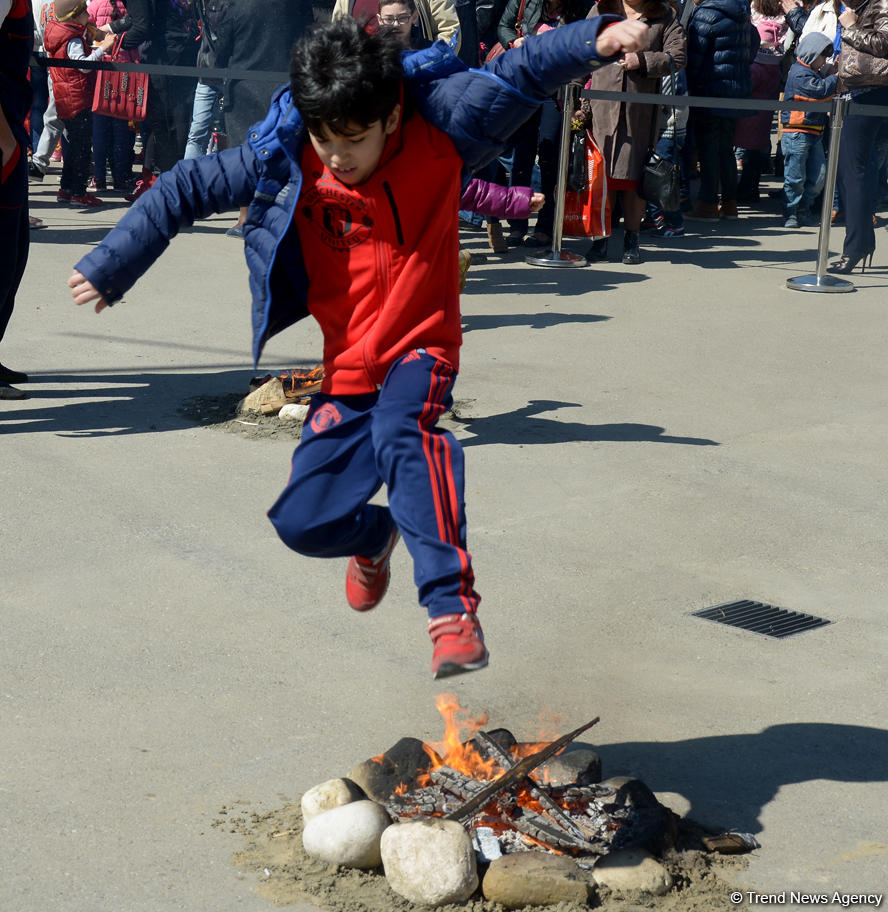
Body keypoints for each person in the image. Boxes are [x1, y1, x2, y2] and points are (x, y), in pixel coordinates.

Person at [66, 16, 647, 677]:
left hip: (421, 349)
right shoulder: (287, 155)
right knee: (301, 522)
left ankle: (450, 607)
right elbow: (184, 186)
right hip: (346, 367)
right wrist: (114, 262)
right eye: (324, 137)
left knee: (406, 434)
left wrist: (595, 39)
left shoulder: (442, 130)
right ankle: (374, 536)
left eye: (353, 140)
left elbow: (519, 71)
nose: (337, 156)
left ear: (391, 118)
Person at [579, 0, 686, 264]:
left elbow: (677, 57)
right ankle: (600, 240)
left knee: (633, 179)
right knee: (602, 179)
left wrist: (641, 60)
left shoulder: (663, 15)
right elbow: (580, 52)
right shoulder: (601, 10)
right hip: (601, 108)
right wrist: (576, 94)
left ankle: (632, 239)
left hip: (639, 113)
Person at [212, 0, 314, 236]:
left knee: (246, 158)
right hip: (285, 88)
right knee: (286, 155)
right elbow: (309, 39)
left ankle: (246, 218)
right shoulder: (297, 5)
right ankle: (283, 217)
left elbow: (222, 49)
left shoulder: (238, 6)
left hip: (244, 89)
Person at [498, 0, 592, 246]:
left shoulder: (581, 8)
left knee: (551, 156)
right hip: (526, 87)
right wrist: (514, 42)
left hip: (558, 91)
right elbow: (505, 26)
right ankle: (517, 223)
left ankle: (546, 226)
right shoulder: (525, 2)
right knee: (522, 157)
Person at [685, 0, 759, 222]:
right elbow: (754, 43)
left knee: (708, 148)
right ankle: (729, 203)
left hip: (709, 88)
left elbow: (695, 56)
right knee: (725, 147)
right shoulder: (742, 12)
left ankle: (707, 204)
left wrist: (691, 83)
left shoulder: (707, 13)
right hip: (735, 90)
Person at [828, 0, 888, 273]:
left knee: (854, 171)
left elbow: (884, 43)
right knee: (850, 171)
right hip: (855, 90)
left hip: (873, 90)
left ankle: (856, 246)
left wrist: (851, 28)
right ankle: (860, 243)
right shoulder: (855, 6)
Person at [121, 0, 200, 201]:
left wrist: (116, 41)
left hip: (165, 56)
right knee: (170, 122)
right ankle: (157, 180)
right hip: (184, 51)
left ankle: (168, 184)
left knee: (168, 124)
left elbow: (141, 26)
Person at [44, 0, 117, 207]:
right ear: (75, 16)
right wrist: (102, 49)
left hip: (65, 97)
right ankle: (78, 192)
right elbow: (83, 66)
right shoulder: (72, 39)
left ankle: (66, 188)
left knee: (74, 146)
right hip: (77, 97)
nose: (89, 15)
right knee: (83, 148)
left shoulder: (61, 33)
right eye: (84, 11)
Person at [1, 0, 34, 400]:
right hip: (3, 139)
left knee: (13, 255)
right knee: (1, 259)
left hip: (11, 134)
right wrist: (6, 142)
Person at [733, 0, 788, 205]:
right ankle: (751, 186)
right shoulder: (786, 10)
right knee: (760, 136)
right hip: (773, 70)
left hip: (752, 65)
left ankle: (737, 189)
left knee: (735, 133)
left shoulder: (754, 7)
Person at [779, 31, 836, 227]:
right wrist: (835, 77)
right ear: (812, 54)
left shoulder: (812, 73)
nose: (824, 61)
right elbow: (819, 91)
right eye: (823, 57)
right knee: (795, 177)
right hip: (796, 132)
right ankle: (791, 212)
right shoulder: (799, 73)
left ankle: (804, 208)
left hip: (814, 132)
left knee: (818, 176)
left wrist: (829, 73)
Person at [88, 0, 137, 191]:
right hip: (126, 73)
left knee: (99, 129)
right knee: (123, 130)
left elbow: (87, 33)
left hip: (101, 71)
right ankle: (121, 176)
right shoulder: (130, 7)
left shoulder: (95, 5)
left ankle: (99, 176)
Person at [184, 0, 228, 161]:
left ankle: (190, 179)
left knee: (199, 133)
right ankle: (189, 179)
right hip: (212, 68)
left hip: (213, 68)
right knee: (199, 133)